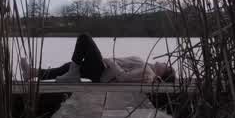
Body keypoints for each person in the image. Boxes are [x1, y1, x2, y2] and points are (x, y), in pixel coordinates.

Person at [20, 34, 176, 84]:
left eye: (166, 66)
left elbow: (123, 77)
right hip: (103, 70)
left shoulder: (148, 73)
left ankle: (72, 76)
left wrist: (110, 62)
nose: (164, 62)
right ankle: (33, 73)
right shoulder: (147, 68)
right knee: (70, 66)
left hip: (102, 73)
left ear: (162, 74)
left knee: (84, 39)